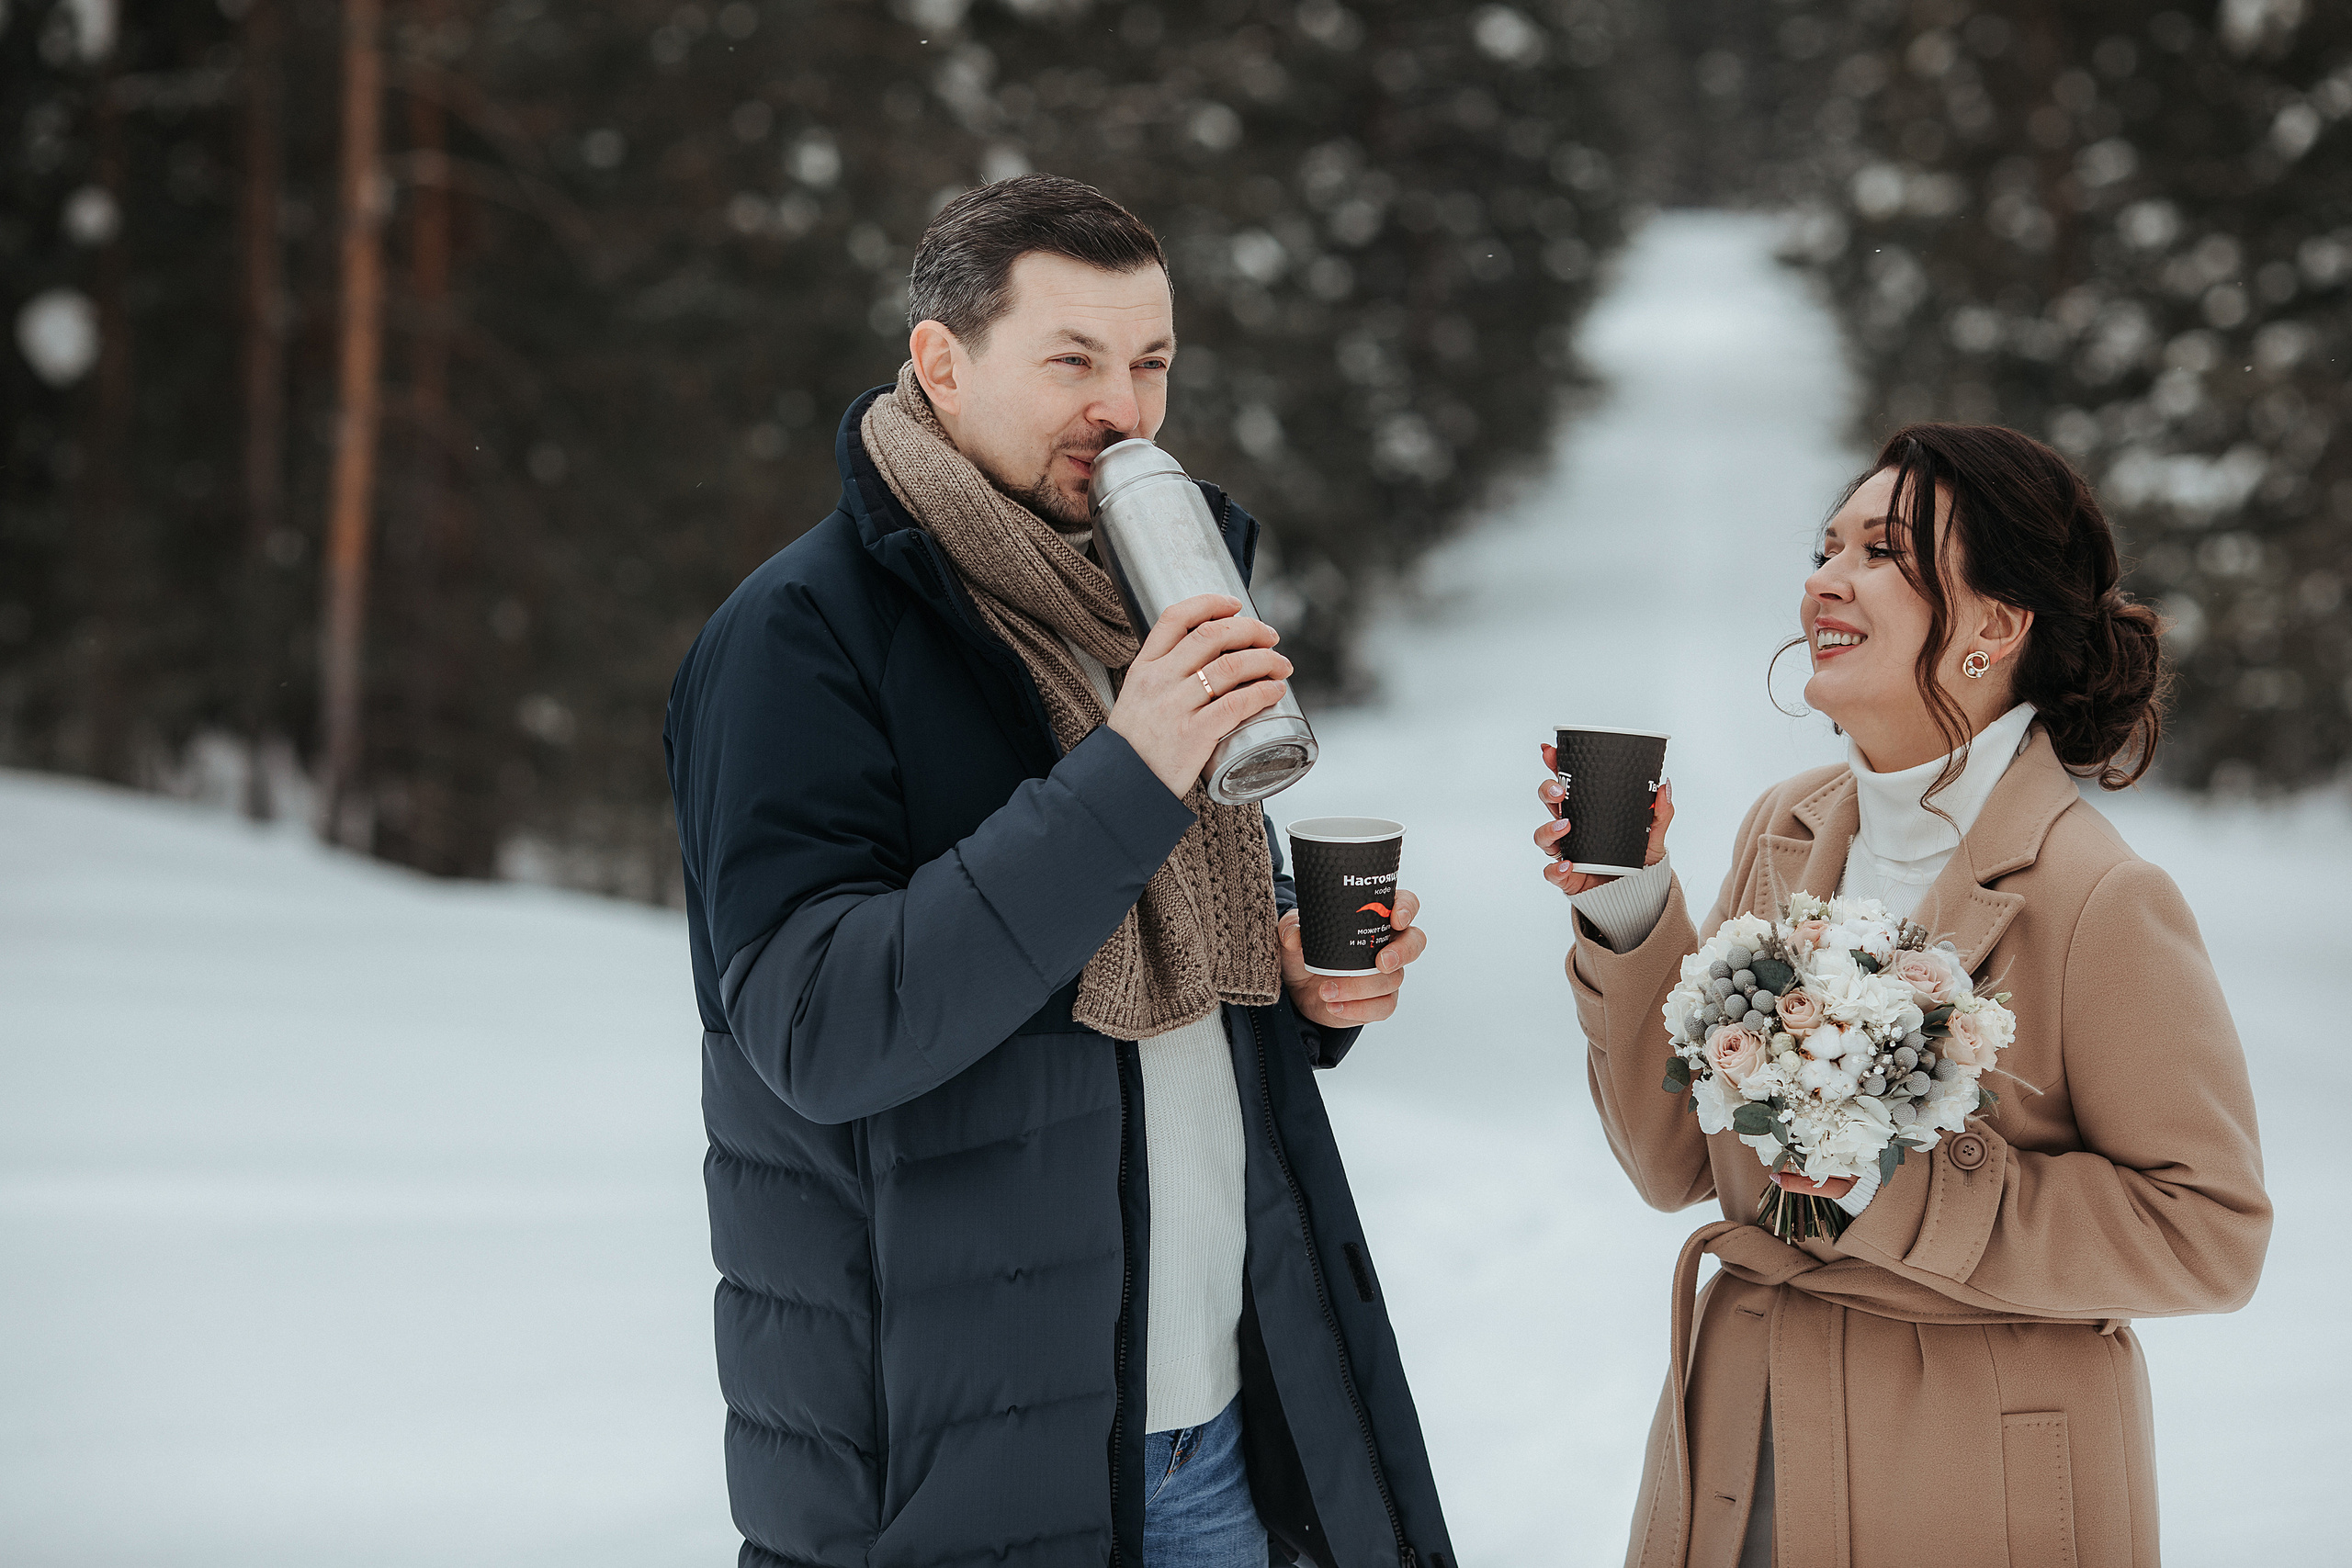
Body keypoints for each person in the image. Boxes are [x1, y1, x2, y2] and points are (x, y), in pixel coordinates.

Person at [665, 174, 1455, 1568]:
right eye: (1072, 361)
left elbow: (1133, 980)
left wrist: (1284, 981)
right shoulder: (797, 636)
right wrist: (1132, 768)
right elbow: (818, 1026)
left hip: (1219, 1422)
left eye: (1149, 362)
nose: (1125, 409)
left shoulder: (1142, 598)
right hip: (952, 1474)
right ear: (941, 363)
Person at [1533, 424, 2271, 1567]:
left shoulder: (2100, 897)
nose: (1825, 577)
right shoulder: (1783, 829)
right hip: (1743, 1446)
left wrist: (1903, 1190)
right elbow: (1673, 1158)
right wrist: (1629, 907)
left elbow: (2209, 1235)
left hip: (1974, 1475)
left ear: (1994, 624)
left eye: (1881, 552)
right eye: (1826, 546)